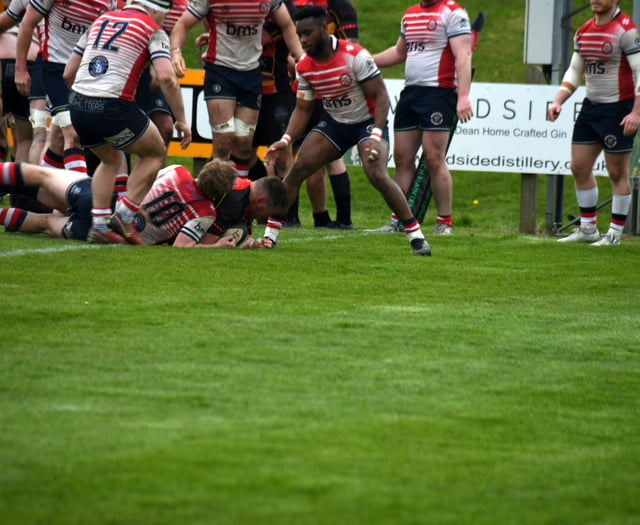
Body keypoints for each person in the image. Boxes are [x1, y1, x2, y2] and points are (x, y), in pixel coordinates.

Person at [263, 5, 431, 256]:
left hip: (367, 121)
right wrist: (286, 139)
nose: (303, 40)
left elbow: (381, 96)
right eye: (299, 35)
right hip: (337, 123)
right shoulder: (304, 66)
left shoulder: (355, 56)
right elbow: (303, 109)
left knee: (375, 172)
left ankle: (416, 236)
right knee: (298, 169)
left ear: (324, 28)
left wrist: (375, 135)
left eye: (308, 33)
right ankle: (270, 236)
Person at [64, 0, 192, 245]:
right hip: (112, 105)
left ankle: (99, 225)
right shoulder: (153, 29)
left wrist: (81, 98)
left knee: (110, 158)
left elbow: (69, 73)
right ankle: (125, 214)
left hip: (78, 103)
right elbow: (167, 77)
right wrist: (182, 120)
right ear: (157, 10)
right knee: (155, 152)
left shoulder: (101, 19)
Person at [369, 0, 473, 236]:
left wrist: (464, 95)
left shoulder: (453, 12)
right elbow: (399, 52)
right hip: (411, 93)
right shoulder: (410, 14)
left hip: (439, 92)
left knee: (434, 158)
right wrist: (367, 59)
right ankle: (399, 220)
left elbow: (464, 55)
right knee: (403, 158)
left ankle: (443, 222)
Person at [169, 0, 302, 177]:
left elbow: (286, 24)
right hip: (220, 71)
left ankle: (237, 198)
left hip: (251, 75)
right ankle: (216, 198)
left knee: (244, 145)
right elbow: (183, 24)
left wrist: (302, 59)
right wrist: (175, 51)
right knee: (223, 142)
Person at [548, 0, 640, 246]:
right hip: (591, 107)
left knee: (616, 172)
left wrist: (636, 113)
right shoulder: (584, 31)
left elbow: (639, 70)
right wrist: (558, 101)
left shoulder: (627, 30)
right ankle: (588, 228)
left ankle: (614, 234)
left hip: (619, 108)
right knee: (579, 166)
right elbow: (575, 70)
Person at [0, 159, 245, 247]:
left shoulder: (177, 171)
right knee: (44, 223)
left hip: (103, 202)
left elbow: (143, 180)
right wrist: (217, 246)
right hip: (106, 235)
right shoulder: (205, 212)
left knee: (43, 177)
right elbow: (182, 247)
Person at [292, 0, 358, 230]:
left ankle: (337, 218)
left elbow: (351, 49)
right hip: (300, 89)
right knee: (300, 156)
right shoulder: (296, 7)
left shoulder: (340, 7)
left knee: (321, 159)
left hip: (329, 93)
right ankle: (305, 217)